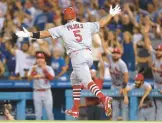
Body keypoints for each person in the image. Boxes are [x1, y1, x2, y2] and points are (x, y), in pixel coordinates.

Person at [16, 5, 121, 118]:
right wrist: (111, 14)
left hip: (77, 56)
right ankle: (75, 108)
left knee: (86, 81)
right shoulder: (85, 25)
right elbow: (101, 23)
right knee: (74, 77)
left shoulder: (62, 28)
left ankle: (104, 99)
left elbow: (44, 34)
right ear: (75, 15)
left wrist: (29, 34)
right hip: (88, 56)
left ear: (65, 17)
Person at [102, 42, 129, 120]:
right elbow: (105, 48)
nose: (115, 54)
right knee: (114, 107)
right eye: (114, 53)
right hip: (114, 86)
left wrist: (123, 88)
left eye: (117, 53)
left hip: (122, 86)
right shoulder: (110, 58)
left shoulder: (122, 64)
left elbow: (126, 76)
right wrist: (102, 38)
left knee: (124, 108)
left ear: (120, 55)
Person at [28, 51, 55, 120]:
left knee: (49, 114)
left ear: (44, 59)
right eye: (38, 58)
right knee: (38, 114)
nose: (40, 59)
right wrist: (33, 72)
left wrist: (44, 70)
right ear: (36, 60)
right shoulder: (33, 68)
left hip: (47, 92)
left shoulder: (48, 68)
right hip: (37, 92)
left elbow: (52, 78)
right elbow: (29, 79)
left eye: (41, 58)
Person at [143, 26, 162, 120]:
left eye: (160, 51)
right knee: (158, 106)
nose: (158, 52)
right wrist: (145, 34)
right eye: (157, 50)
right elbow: (148, 45)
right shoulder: (154, 56)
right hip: (157, 84)